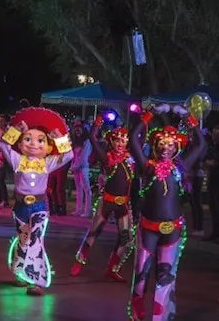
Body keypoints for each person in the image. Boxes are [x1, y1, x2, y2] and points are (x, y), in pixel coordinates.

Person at [128, 105, 204, 321]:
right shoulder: (147, 166)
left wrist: (188, 117)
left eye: (171, 144)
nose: (166, 147)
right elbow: (134, 139)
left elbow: (199, 145)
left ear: (177, 147)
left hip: (174, 228)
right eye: (161, 143)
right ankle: (136, 311)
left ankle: (161, 317)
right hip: (148, 227)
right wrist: (149, 114)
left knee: (165, 276)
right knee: (141, 273)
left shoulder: (180, 167)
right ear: (154, 145)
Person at [0, 107, 73, 296]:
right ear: (21, 143)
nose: (34, 144)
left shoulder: (47, 162)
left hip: (40, 206)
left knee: (36, 241)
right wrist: (16, 129)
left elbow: (69, 156)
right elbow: (3, 146)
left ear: (47, 145)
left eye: (40, 140)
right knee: (24, 240)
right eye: (28, 139)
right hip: (20, 206)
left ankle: (35, 280)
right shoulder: (17, 160)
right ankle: (20, 272)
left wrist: (59, 138)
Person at [70, 118, 134, 282]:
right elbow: (92, 138)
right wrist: (96, 126)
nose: (121, 143)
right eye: (117, 140)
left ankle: (112, 269)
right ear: (112, 141)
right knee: (93, 233)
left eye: (124, 140)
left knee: (126, 238)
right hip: (106, 202)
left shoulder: (130, 159)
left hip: (124, 204)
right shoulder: (107, 157)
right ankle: (79, 261)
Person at [70, 120, 92, 217]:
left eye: (79, 128)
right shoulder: (75, 141)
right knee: (78, 188)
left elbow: (84, 156)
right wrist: (73, 165)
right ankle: (78, 210)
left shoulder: (86, 141)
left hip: (84, 167)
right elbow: (73, 155)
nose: (77, 130)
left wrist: (75, 166)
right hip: (76, 167)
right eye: (76, 128)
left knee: (86, 189)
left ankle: (87, 211)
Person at [203, 125, 219, 240]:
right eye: (213, 134)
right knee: (213, 207)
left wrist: (210, 162)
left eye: (217, 134)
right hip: (212, 179)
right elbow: (207, 160)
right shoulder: (213, 146)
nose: (214, 136)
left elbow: (214, 162)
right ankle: (215, 233)